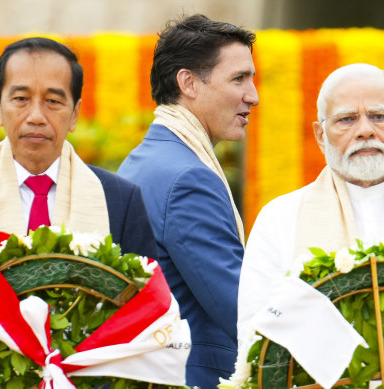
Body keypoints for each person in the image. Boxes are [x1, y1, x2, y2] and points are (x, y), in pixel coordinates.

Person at [0, 37, 157, 350]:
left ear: (75, 113)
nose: (36, 116)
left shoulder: (120, 199)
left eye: (53, 101)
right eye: (21, 99)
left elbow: (147, 314)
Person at [237, 63, 384, 345]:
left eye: (379, 116)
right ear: (320, 134)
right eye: (347, 119)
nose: (365, 130)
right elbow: (254, 333)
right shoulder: (279, 218)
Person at [117, 14, 259, 388]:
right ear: (188, 83)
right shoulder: (188, 178)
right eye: (239, 78)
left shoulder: (142, 160)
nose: (253, 96)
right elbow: (243, 309)